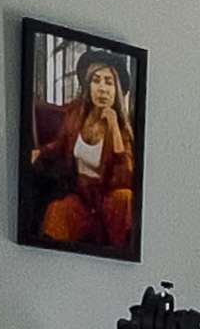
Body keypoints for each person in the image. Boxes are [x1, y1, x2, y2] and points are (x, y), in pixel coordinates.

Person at [31, 50, 140, 251]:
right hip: (80, 196)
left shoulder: (122, 129)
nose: (102, 88)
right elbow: (59, 145)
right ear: (88, 86)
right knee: (57, 211)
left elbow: (126, 177)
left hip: (108, 201)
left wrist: (114, 126)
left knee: (124, 199)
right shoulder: (75, 113)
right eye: (96, 80)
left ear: (116, 89)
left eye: (108, 82)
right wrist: (39, 153)